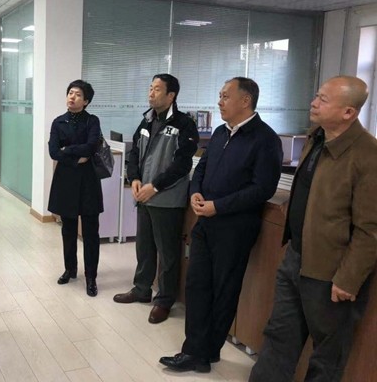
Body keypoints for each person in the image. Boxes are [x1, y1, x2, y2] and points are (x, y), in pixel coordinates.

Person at [249, 76, 377, 382]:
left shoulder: (367, 155)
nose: (313, 103)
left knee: (327, 355)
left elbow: (370, 229)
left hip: (332, 272)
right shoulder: (316, 138)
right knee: (279, 336)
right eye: (316, 96)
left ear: (348, 112)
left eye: (323, 99)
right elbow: (313, 190)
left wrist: (348, 279)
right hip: (295, 257)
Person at [160, 77, 283, 373]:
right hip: (206, 222)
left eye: (226, 96)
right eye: (220, 95)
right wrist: (196, 192)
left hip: (235, 227)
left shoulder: (265, 139)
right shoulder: (219, 132)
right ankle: (194, 350)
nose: (219, 101)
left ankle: (206, 352)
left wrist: (219, 206)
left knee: (223, 290)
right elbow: (201, 168)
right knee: (197, 285)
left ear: (245, 101)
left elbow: (262, 188)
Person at [113, 73, 199, 324]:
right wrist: (134, 178)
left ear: (171, 95)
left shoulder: (184, 124)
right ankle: (141, 289)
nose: (151, 93)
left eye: (157, 89)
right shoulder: (146, 120)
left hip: (167, 198)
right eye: (150, 88)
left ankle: (164, 300)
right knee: (144, 247)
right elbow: (134, 153)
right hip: (144, 196)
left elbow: (182, 164)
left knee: (168, 253)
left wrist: (156, 186)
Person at [48, 80, 103, 297]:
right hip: (66, 181)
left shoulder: (92, 121)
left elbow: (91, 146)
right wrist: (75, 157)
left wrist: (67, 150)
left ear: (86, 101)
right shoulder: (58, 122)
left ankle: (91, 277)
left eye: (78, 94)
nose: (72, 97)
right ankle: (70, 269)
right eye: (70, 93)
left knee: (91, 232)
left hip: (88, 181)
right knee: (68, 230)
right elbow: (53, 152)